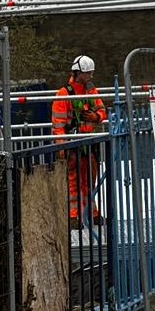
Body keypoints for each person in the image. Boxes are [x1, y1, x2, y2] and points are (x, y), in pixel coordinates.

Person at [51, 55, 108, 228]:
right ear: (78, 73)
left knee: (90, 180)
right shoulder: (64, 94)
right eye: (87, 73)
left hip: (88, 143)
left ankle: (92, 213)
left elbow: (102, 110)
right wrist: (61, 145)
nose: (90, 76)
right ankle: (73, 216)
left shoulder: (91, 92)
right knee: (73, 180)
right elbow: (58, 124)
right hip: (72, 143)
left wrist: (96, 116)